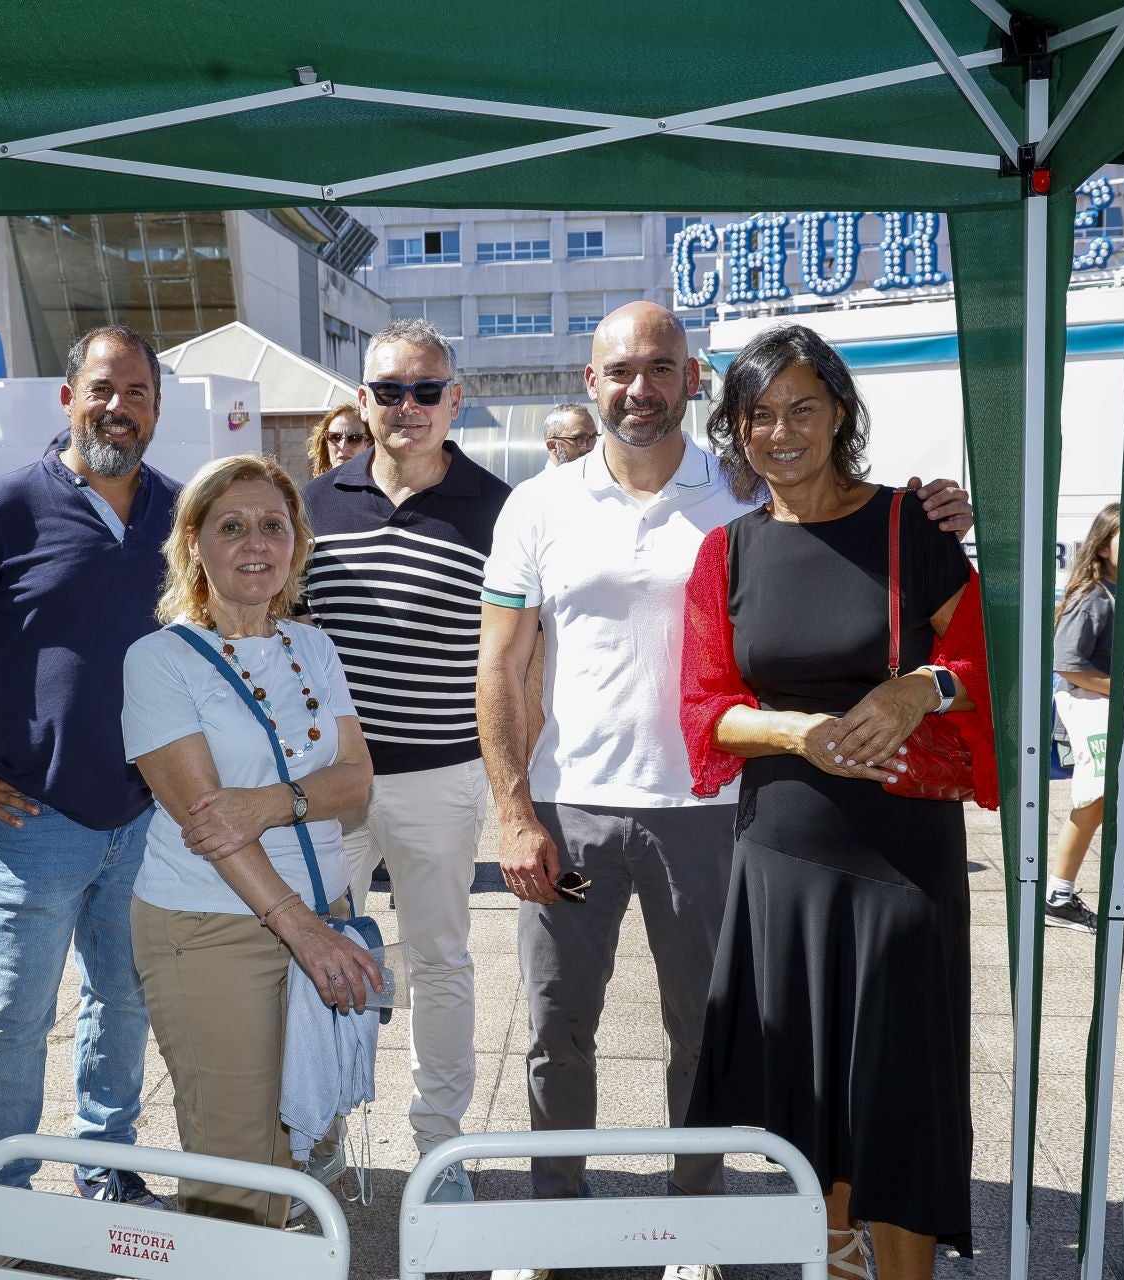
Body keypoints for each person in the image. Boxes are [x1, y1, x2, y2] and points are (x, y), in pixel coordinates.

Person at [477, 304, 972, 1280]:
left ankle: (693, 1225)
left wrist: (931, 516)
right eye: (620, 370)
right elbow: (500, 666)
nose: (640, 388)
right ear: (590, 380)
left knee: (704, 1035)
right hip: (575, 817)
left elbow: (848, 518)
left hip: (715, 814)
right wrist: (513, 809)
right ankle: (555, 1227)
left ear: (692, 377)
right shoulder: (537, 505)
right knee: (555, 1022)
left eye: (660, 368)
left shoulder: (747, 482)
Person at [677, 323, 993, 1280]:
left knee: (897, 1088)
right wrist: (794, 733)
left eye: (802, 407)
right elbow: (703, 710)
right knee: (809, 1089)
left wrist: (915, 689)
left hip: (902, 858)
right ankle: (835, 1259)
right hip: (783, 856)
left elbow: (986, 666)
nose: (782, 431)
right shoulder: (725, 556)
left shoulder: (915, 527)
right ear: (736, 429)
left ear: (841, 413)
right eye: (759, 414)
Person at [0, 325, 181, 1214]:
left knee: (123, 1006)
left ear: (156, 408)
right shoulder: (6, 506)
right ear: (67, 399)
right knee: (12, 1021)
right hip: (33, 818)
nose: (117, 408)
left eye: (135, 392)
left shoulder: (175, 511)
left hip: (143, 816)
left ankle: (106, 1168)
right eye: (101, 389)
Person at [124, 453, 380, 1226]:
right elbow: (211, 826)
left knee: (300, 1141)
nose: (255, 544)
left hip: (323, 912)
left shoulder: (314, 647)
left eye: (273, 525)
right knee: (234, 1158)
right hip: (210, 928)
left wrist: (267, 803)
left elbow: (357, 780)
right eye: (231, 527)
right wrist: (301, 928)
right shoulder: (158, 660)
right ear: (194, 543)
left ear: (297, 542)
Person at [299, 318, 513, 1204]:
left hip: (441, 776)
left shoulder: (498, 507)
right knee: (316, 954)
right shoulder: (310, 503)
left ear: (454, 400)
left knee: (438, 962)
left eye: (427, 390)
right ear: (363, 398)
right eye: (390, 390)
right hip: (326, 783)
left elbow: (516, 655)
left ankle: (438, 1150)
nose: (408, 406)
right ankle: (318, 1137)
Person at [1047, 502, 1124, 944]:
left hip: (1121, 712)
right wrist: (1120, 689)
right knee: (1094, 803)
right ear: (1101, 547)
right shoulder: (1094, 598)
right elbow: (1067, 664)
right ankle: (1059, 894)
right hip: (1094, 711)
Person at [306, 402, 372, 478]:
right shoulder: (313, 489)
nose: (343, 446)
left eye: (354, 438)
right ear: (325, 442)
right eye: (335, 437)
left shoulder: (382, 488)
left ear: (369, 444)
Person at [541, 402, 598, 468]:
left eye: (593, 437)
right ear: (553, 446)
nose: (591, 447)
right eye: (581, 439)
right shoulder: (544, 478)